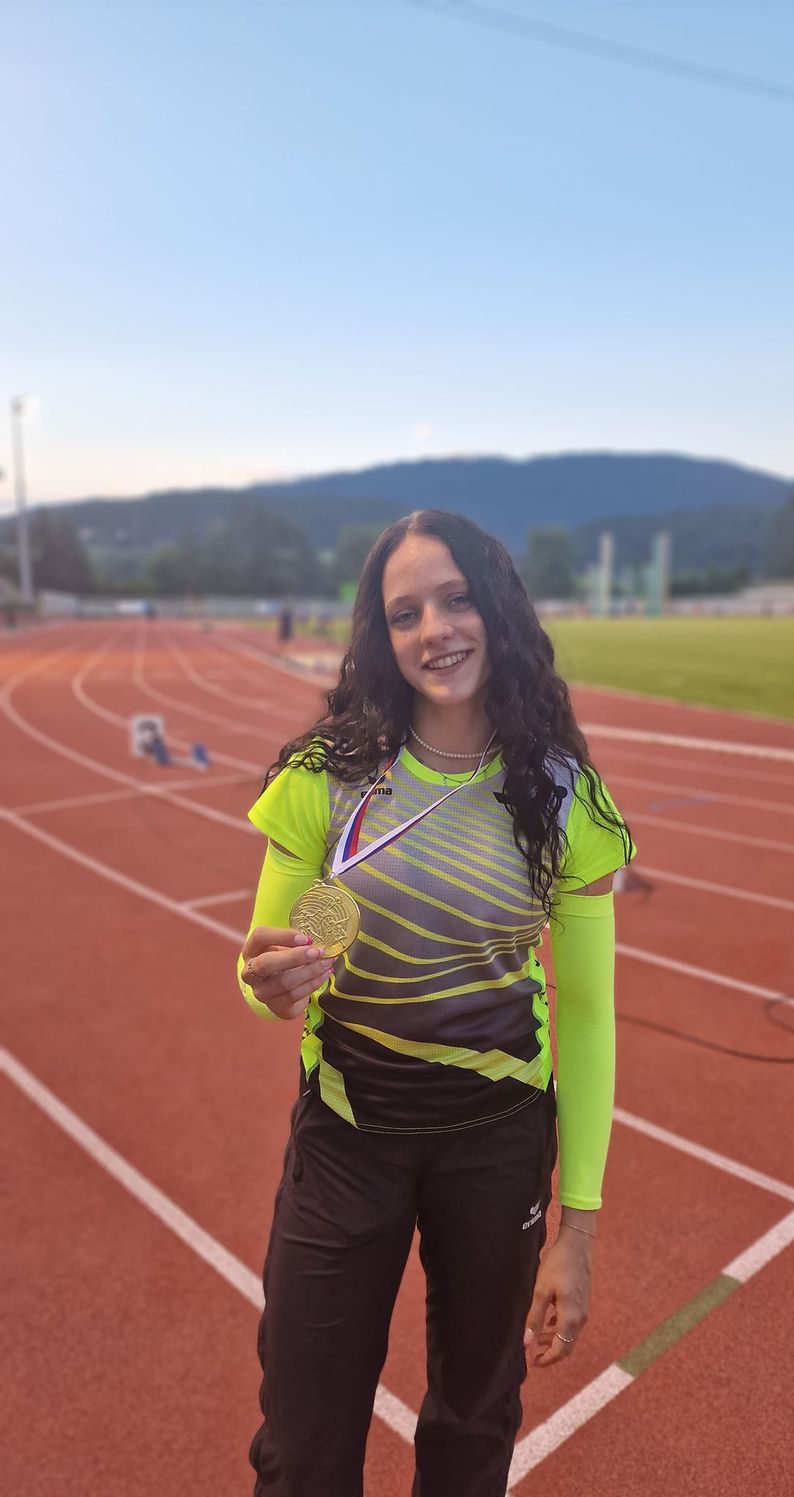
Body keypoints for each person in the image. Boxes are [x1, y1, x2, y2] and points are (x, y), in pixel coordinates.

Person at [238, 509, 634, 1497]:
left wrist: (577, 1230)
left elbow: (587, 1016)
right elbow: (265, 969)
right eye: (405, 612)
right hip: (345, 1138)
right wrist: (263, 982)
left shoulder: (564, 797)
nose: (436, 630)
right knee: (303, 1442)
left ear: (498, 608)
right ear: (382, 635)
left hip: (497, 1150)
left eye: (457, 600)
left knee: (473, 1429)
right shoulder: (322, 780)